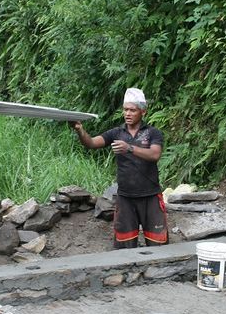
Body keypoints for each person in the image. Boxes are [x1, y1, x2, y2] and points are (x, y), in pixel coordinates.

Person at [70, 87, 167, 249]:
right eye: (125, 110)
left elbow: (154, 154)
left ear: (143, 112)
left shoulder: (153, 133)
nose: (128, 114)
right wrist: (80, 131)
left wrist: (129, 148)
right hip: (125, 198)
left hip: (150, 196)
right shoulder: (116, 133)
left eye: (132, 110)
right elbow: (92, 143)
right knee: (125, 248)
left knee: (159, 246)